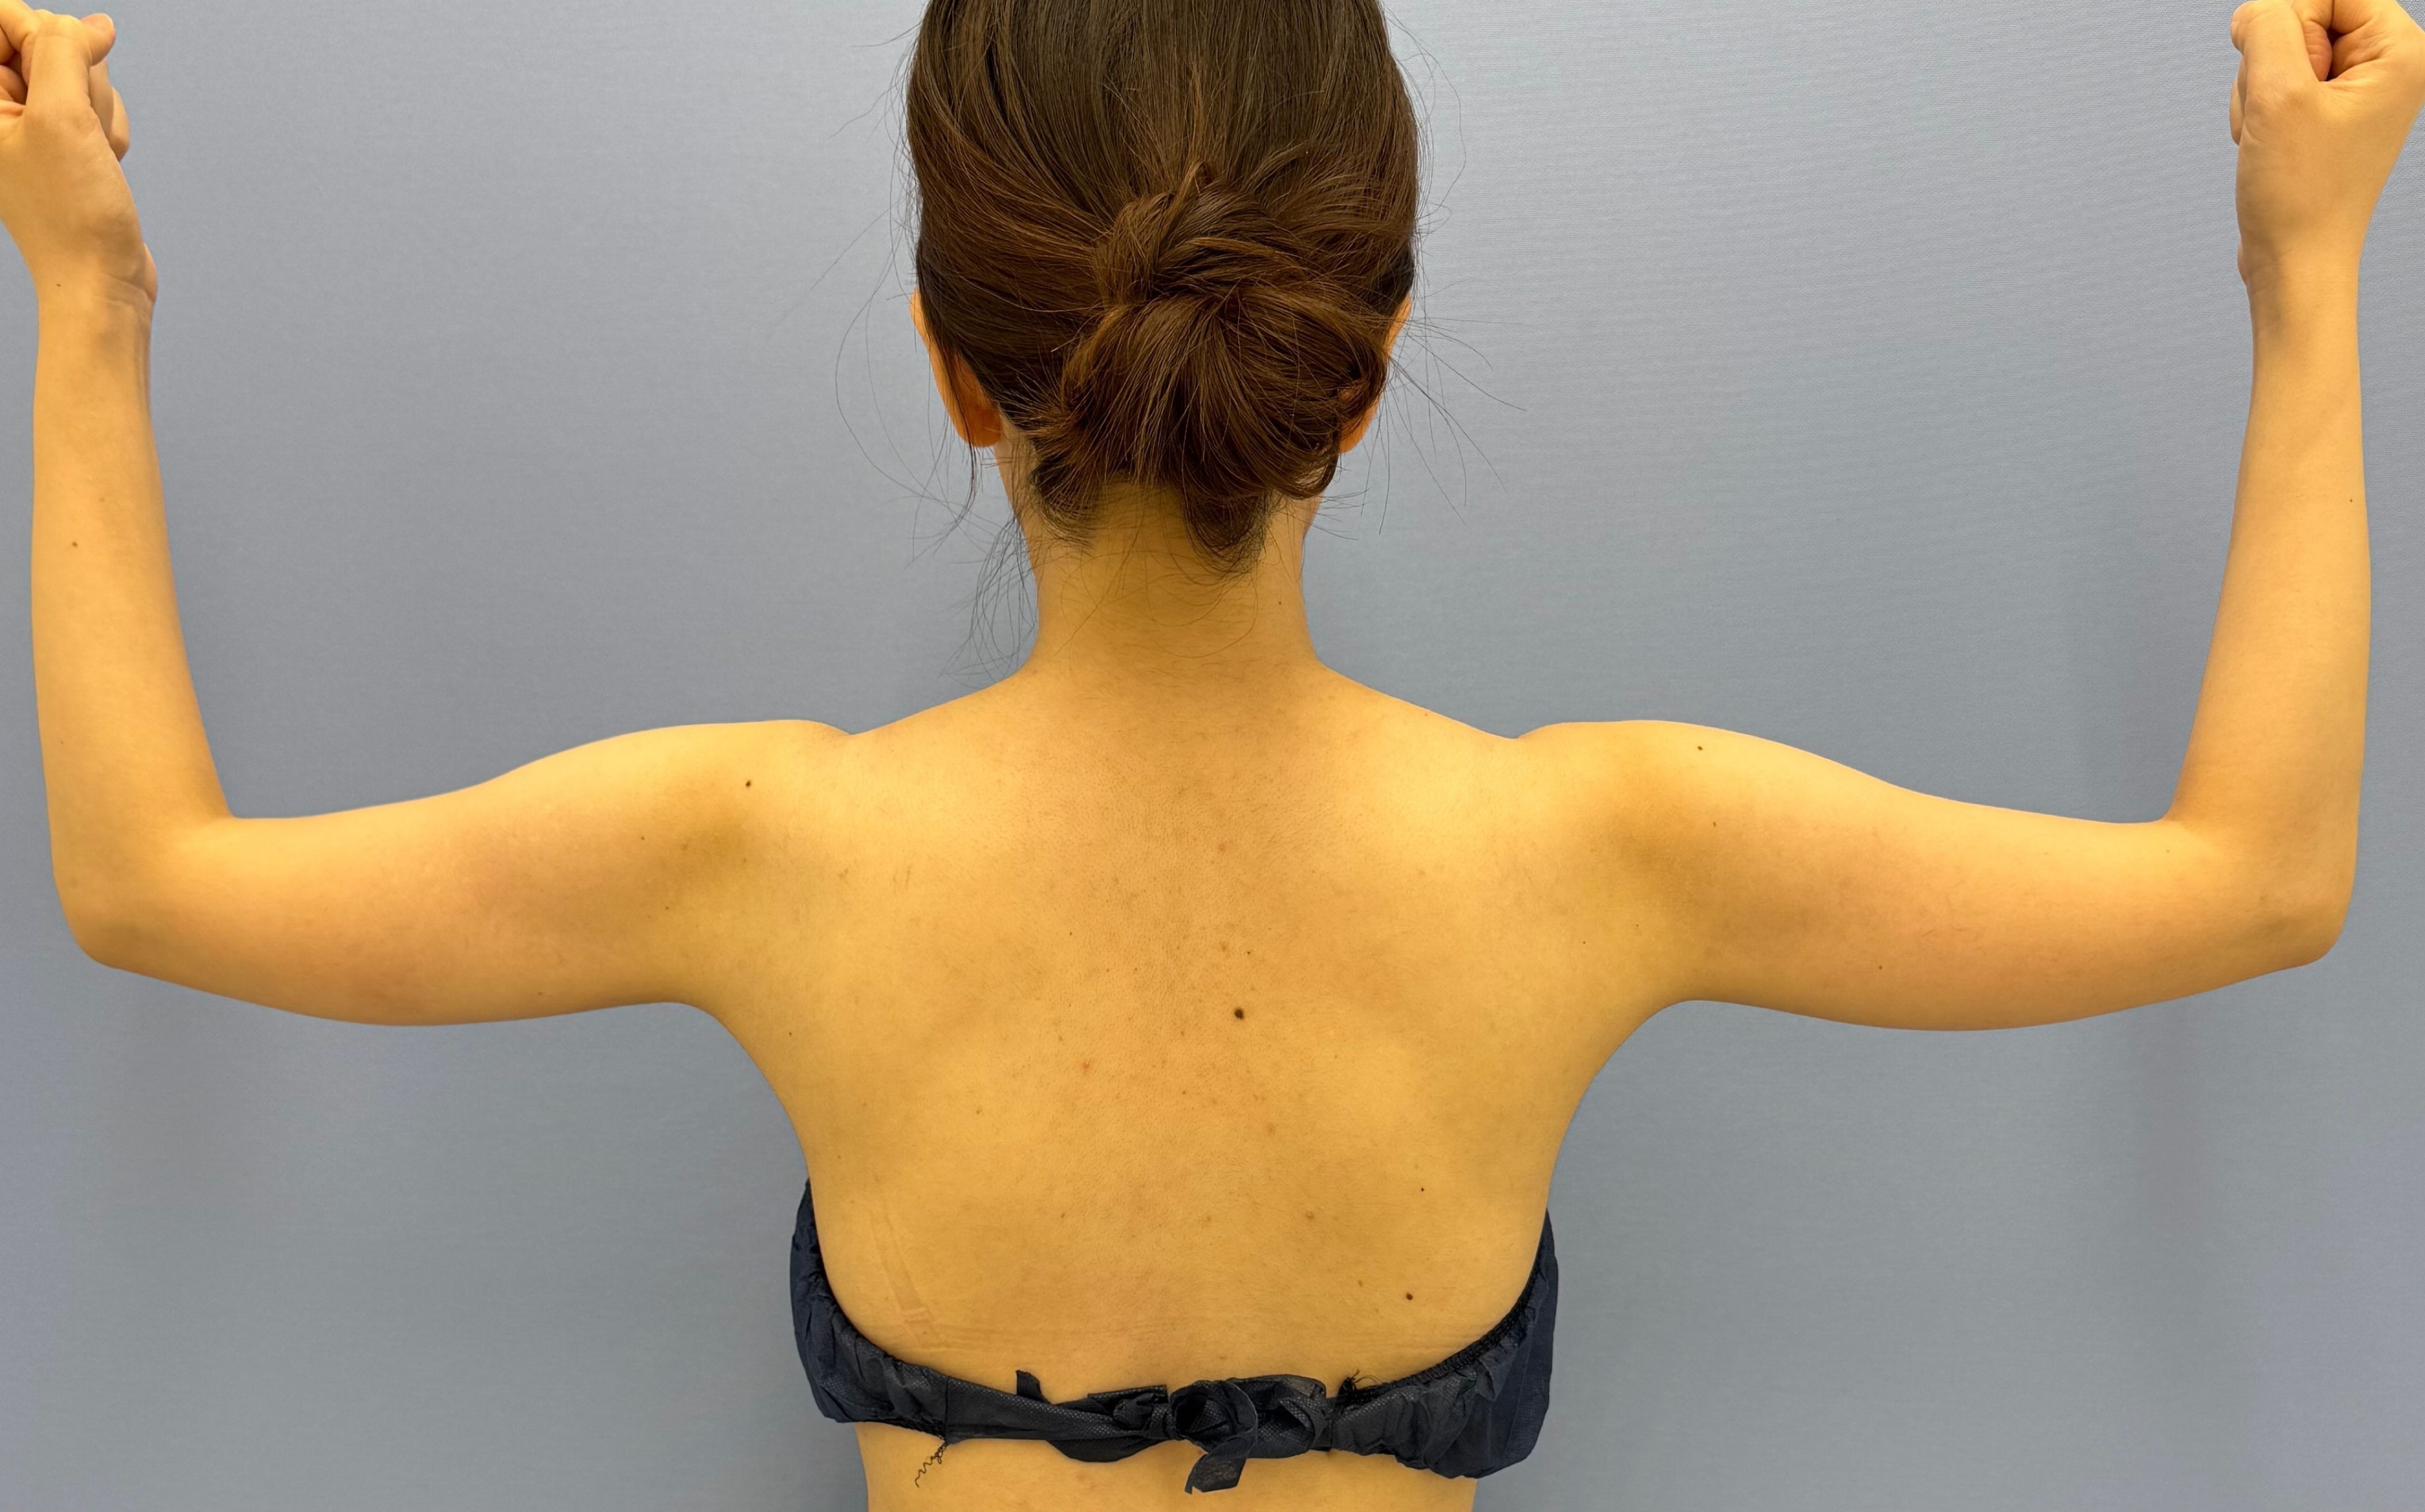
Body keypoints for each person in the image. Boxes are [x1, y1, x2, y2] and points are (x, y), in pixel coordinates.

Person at [5, 0, 2419, 1507]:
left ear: (955, 371)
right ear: (1354, 375)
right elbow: (2257, 877)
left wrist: (86, 297)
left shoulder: (751, 849)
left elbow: (145, 879)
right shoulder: (1611, 848)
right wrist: (2302, 274)